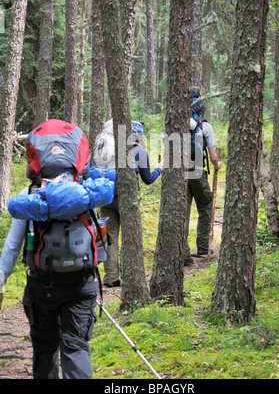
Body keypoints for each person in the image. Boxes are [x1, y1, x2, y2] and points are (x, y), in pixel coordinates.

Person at [0, 120, 102, 379]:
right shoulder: (85, 193)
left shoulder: (31, 195)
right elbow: (96, 237)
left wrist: (0, 283)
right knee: (76, 348)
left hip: (42, 288)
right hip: (82, 285)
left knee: (45, 350)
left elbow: (12, 246)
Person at [98, 121, 162, 288]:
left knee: (109, 237)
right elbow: (148, 180)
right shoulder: (139, 151)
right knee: (130, 236)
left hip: (105, 197)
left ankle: (111, 277)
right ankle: (130, 276)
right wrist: (159, 169)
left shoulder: (109, 149)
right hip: (126, 198)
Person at [183, 92, 221, 265]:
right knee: (205, 205)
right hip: (197, 169)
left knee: (182, 211)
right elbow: (213, 155)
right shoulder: (205, 127)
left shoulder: (176, 124)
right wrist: (217, 165)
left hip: (179, 170)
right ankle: (203, 247)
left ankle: (182, 251)